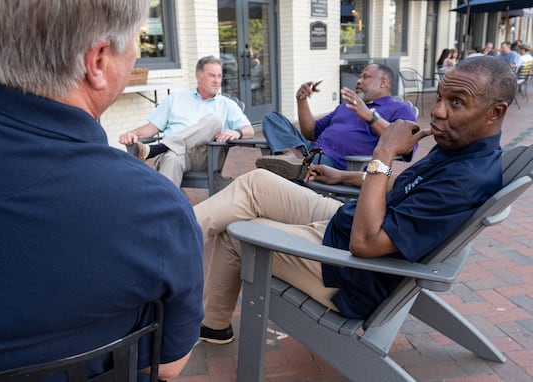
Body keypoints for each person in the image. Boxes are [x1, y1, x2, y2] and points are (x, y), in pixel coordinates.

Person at [0, 1, 203, 381]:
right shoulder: (153, 211)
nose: (139, 52)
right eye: (136, 40)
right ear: (97, 62)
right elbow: (168, 365)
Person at [195, 56, 515, 344]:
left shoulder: (463, 182)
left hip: (349, 270)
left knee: (237, 232)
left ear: (495, 112)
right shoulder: (460, 151)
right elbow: (401, 187)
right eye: (442, 97)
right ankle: (171, 236)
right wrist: (344, 177)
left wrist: (384, 151)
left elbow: (365, 244)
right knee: (257, 183)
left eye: (457, 102)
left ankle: (211, 323)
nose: (439, 110)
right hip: (347, 221)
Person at [255, 63, 416, 180]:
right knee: (273, 118)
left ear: (383, 82)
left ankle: (295, 165)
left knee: (265, 179)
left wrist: (370, 116)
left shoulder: (399, 109)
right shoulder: (346, 106)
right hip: (312, 152)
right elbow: (310, 132)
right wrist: (301, 100)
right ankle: (292, 159)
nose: (358, 81)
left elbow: (405, 145)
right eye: (359, 77)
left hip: (340, 164)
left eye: (365, 77)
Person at [119, 55, 254, 187]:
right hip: (175, 155)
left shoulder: (226, 104)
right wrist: (132, 133)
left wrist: (237, 132)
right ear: (198, 76)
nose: (217, 81)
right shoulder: (175, 98)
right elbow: (151, 127)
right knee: (172, 157)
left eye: (219, 76)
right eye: (212, 75)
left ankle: (159, 148)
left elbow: (250, 130)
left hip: (205, 156)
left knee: (214, 121)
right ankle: (169, 208)